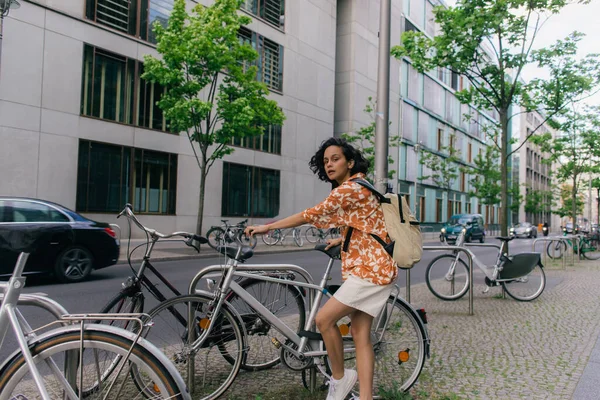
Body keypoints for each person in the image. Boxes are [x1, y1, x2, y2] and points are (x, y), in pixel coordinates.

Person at [245, 137, 397, 400]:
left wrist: (268, 227)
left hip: (370, 271)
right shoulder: (360, 187)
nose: (329, 164)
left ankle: (340, 378)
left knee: (324, 319)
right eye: (325, 161)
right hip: (372, 267)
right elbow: (370, 224)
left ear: (350, 162)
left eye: (335, 159)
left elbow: (310, 214)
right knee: (361, 335)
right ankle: (365, 397)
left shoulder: (349, 189)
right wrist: (342, 238)